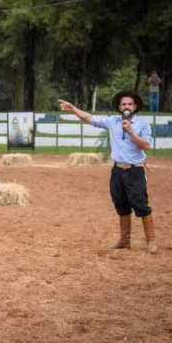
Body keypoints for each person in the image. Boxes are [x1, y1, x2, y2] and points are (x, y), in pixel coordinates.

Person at [57, 91, 157, 254]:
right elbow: (89, 118)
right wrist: (73, 108)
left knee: (140, 204)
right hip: (117, 170)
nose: (126, 106)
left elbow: (146, 146)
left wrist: (131, 131)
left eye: (130, 104)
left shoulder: (142, 124)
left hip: (135, 170)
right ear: (119, 107)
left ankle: (151, 240)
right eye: (123, 104)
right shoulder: (112, 121)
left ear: (135, 107)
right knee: (121, 204)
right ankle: (124, 241)